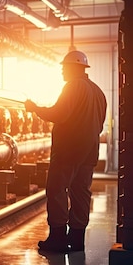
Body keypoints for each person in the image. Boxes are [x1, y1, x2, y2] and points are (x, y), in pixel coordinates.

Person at [24, 50, 107, 253]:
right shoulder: (97, 91)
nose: (62, 71)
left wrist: (35, 108)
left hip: (69, 149)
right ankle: (77, 239)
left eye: (63, 67)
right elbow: (100, 123)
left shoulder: (72, 86)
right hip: (89, 150)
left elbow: (59, 114)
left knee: (57, 189)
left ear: (73, 68)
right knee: (81, 192)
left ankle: (58, 238)